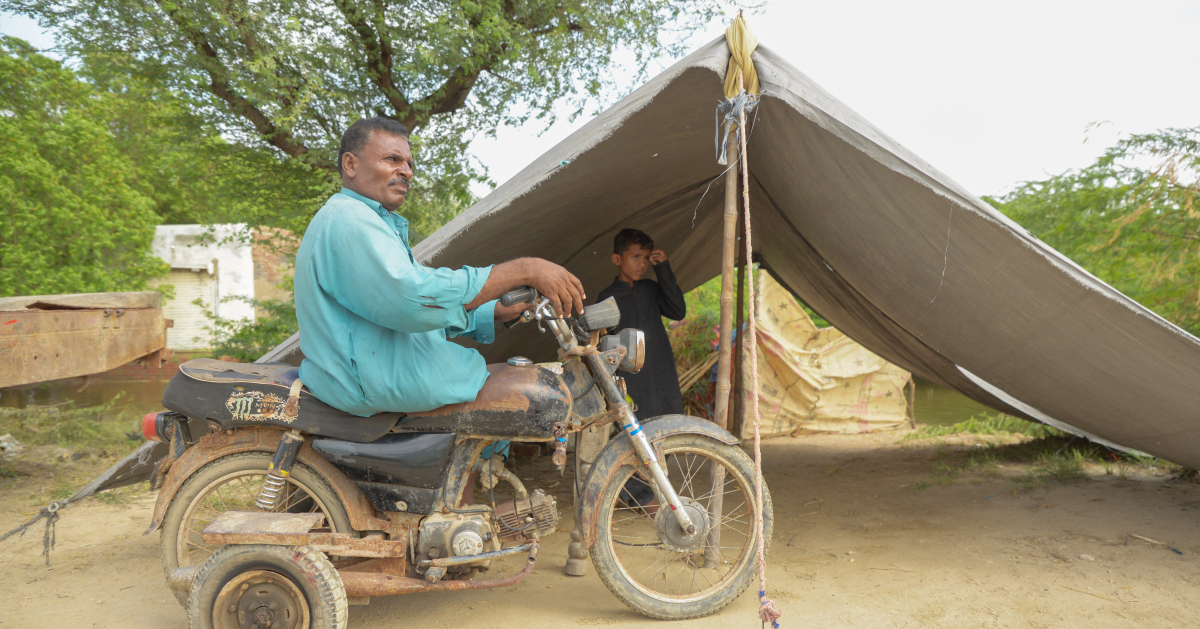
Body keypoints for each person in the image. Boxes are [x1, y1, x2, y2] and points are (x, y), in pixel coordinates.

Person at [294, 117, 586, 489]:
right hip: (366, 377)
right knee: (506, 389)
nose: (406, 171)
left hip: (371, 366)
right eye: (392, 159)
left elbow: (395, 311)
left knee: (497, 383)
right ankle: (459, 511)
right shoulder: (350, 220)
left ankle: (456, 508)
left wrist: (491, 311)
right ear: (351, 164)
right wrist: (523, 270)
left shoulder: (368, 221)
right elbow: (412, 299)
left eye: (409, 164)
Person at [596, 229, 687, 508]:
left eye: (646, 258)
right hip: (630, 379)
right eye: (635, 257)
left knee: (671, 426)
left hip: (661, 373)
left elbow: (677, 310)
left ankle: (634, 492)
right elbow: (600, 342)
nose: (641, 264)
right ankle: (638, 494)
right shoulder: (607, 296)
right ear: (616, 258)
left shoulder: (650, 288)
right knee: (638, 433)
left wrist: (664, 269)